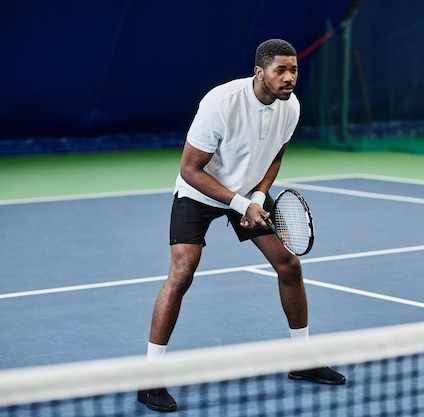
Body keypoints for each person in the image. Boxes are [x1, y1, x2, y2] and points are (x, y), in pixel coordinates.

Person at [137, 39, 346, 413]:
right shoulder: (220, 104)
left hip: (249, 195)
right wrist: (239, 202)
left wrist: (260, 198)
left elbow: (276, 156)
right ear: (259, 72)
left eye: (294, 69)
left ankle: (302, 358)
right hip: (200, 194)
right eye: (280, 70)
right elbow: (189, 169)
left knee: (289, 265)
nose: (289, 78)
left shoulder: (290, 107)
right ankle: (149, 377)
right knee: (182, 273)